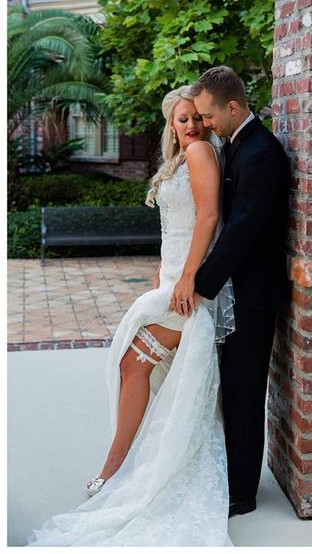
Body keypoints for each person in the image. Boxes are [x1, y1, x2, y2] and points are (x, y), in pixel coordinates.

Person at [28, 86, 235, 546]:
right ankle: (137, 458)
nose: (192, 126)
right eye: (183, 119)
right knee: (140, 366)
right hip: (172, 283)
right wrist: (166, 272)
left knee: (134, 363)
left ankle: (114, 468)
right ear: (171, 123)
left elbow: (208, 219)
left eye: (198, 118)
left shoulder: (200, 152)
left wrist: (188, 279)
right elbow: (175, 226)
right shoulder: (179, 160)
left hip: (191, 289)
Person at [187, 65, 290, 517]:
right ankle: (232, 477)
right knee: (232, 389)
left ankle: (241, 494)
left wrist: (199, 285)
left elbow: (244, 229)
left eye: (209, 116)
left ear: (233, 107)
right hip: (236, 291)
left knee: (245, 392)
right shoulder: (233, 144)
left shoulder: (262, 152)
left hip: (253, 294)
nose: (205, 124)